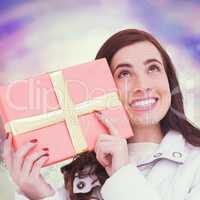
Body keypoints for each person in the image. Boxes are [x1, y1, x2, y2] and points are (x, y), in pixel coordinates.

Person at [1, 29, 200, 200]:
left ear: (169, 79)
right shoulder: (83, 176)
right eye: (124, 74)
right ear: (104, 86)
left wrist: (121, 172)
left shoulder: (195, 163)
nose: (143, 86)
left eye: (153, 68)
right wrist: (39, 193)